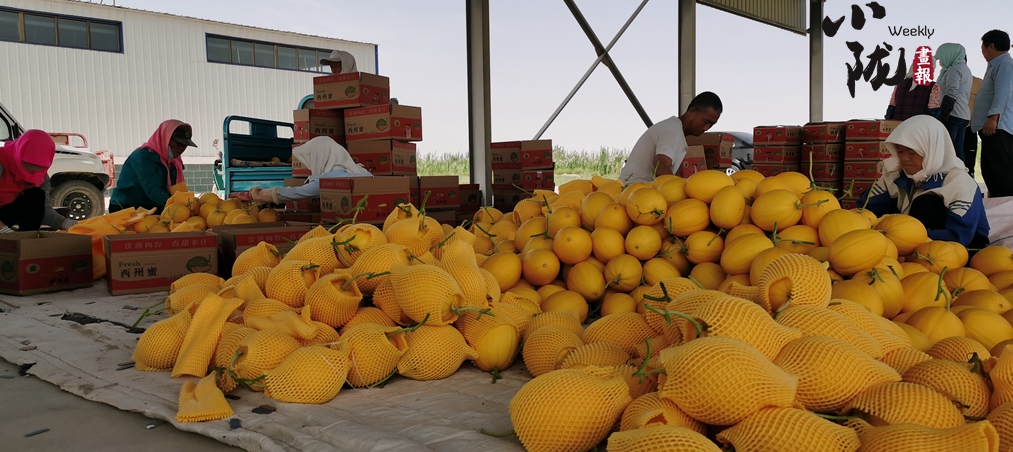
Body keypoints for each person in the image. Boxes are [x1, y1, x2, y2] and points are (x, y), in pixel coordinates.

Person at [859, 115, 989, 249]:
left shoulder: (959, 183)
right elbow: (867, 209)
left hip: (958, 247)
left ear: (931, 150)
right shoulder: (896, 175)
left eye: (912, 152)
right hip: (908, 244)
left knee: (925, 204)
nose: (904, 158)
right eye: (900, 151)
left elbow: (960, 235)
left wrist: (904, 237)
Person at [618, 92, 722, 184]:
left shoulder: (675, 130)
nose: (706, 128)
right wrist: (684, 189)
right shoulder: (673, 131)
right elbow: (661, 168)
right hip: (633, 190)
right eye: (705, 122)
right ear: (692, 112)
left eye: (711, 124)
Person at [248, 136, 371, 205]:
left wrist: (260, 195)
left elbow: (296, 192)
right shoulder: (361, 171)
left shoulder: (329, 180)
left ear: (318, 157)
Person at [109, 120, 195, 213]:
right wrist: (177, 209)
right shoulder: (143, 157)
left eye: (185, 145)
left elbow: (176, 191)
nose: (181, 148)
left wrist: (190, 204)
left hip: (152, 206)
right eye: (178, 143)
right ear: (165, 139)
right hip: (126, 206)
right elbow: (153, 190)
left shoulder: (174, 162)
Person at [0, 130, 76, 231]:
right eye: (28, 166)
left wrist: (65, 223)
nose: (32, 174)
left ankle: (28, 238)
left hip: (7, 214)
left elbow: (45, 210)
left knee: (36, 195)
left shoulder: (41, 178)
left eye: (39, 169)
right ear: (19, 154)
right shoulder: (2, 161)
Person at [972, 29, 1013, 198]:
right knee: (991, 171)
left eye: (983, 46)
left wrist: (993, 117)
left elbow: (1003, 92)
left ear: (991, 46)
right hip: (994, 127)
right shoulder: (996, 65)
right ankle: (1000, 204)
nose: (982, 50)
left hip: (998, 127)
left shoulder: (1004, 64)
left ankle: (1006, 208)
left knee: (1000, 173)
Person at [935, 44, 973, 161]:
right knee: (957, 150)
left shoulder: (954, 69)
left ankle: (952, 172)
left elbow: (951, 92)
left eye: (942, 58)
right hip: (962, 115)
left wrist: (942, 116)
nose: (940, 62)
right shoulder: (965, 69)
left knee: (948, 151)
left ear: (950, 55)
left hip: (952, 114)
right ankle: (961, 172)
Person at [963, 76, 984, 177]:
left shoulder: (978, 83)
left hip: (970, 125)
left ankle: (970, 175)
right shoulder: (946, 79)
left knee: (969, 155)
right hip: (953, 124)